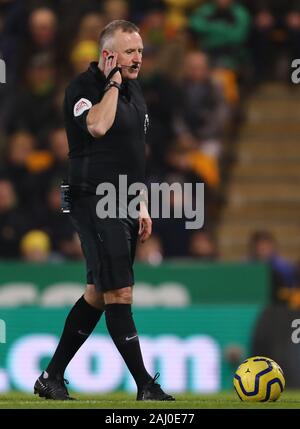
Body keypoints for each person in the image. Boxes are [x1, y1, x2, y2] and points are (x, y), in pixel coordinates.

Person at [34, 20, 174, 402]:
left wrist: (141, 202)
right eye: (130, 51)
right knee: (119, 292)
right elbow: (96, 127)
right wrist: (112, 83)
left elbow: (132, 152)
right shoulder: (83, 88)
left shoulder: (136, 90)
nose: (138, 58)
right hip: (92, 197)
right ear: (108, 54)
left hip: (124, 199)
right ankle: (146, 385)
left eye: (141, 51)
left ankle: (51, 376)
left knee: (98, 293)